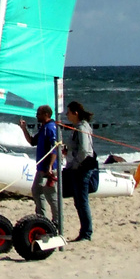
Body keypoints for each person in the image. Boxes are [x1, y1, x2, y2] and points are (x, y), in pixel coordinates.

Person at [63, 101, 96, 241]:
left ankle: (87, 233)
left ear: (75, 113)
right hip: (77, 167)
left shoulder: (82, 127)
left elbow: (85, 151)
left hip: (83, 169)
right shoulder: (77, 127)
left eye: (68, 112)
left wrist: (75, 165)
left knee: (82, 201)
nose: (66, 114)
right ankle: (84, 231)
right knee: (78, 201)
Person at [19, 105, 60, 220]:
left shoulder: (51, 128)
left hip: (49, 168)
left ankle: (57, 220)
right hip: (41, 168)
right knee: (36, 191)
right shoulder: (43, 128)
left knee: (51, 195)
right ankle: (42, 218)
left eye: (38, 113)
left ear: (46, 114)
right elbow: (32, 141)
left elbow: (55, 148)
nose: (36, 116)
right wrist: (23, 128)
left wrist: (50, 166)